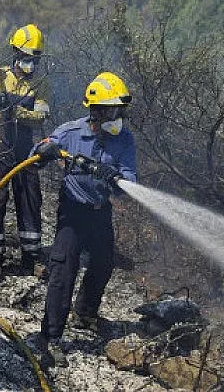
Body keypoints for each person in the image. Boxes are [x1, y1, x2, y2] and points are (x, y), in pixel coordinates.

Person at [30, 72, 137, 367]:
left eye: (120, 111)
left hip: (100, 211)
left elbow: (130, 180)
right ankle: (50, 337)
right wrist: (44, 150)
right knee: (63, 271)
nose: (117, 116)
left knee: (103, 265)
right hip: (73, 212)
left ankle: (85, 314)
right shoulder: (70, 133)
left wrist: (114, 177)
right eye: (112, 110)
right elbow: (35, 155)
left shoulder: (124, 139)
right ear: (96, 110)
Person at [0, 24, 50, 278]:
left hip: (25, 150)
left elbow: (40, 117)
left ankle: (32, 258)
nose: (31, 64)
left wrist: (14, 110)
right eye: (27, 58)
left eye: (35, 59)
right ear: (15, 53)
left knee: (30, 200)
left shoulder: (40, 85)